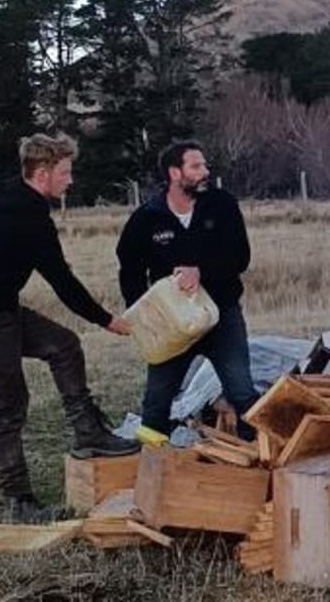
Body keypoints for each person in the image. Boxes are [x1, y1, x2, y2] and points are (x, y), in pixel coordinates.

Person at [0, 133, 140, 522]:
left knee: (63, 345)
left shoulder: (16, 195)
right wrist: (107, 320)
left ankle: (88, 431)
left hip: (1, 310)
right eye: (66, 172)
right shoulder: (27, 216)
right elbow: (61, 282)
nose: (71, 180)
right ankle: (19, 502)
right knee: (8, 406)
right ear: (43, 173)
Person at [117, 140, 258, 440]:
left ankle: (255, 463)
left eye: (205, 165)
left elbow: (240, 257)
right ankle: (149, 468)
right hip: (171, 325)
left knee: (243, 392)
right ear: (175, 173)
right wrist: (140, 312)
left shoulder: (223, 205)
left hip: (221, 315)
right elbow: (129, 268)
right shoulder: (147, 218)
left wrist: (201, 270)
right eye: (196, 166)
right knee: (156, 402)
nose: (205, 171)